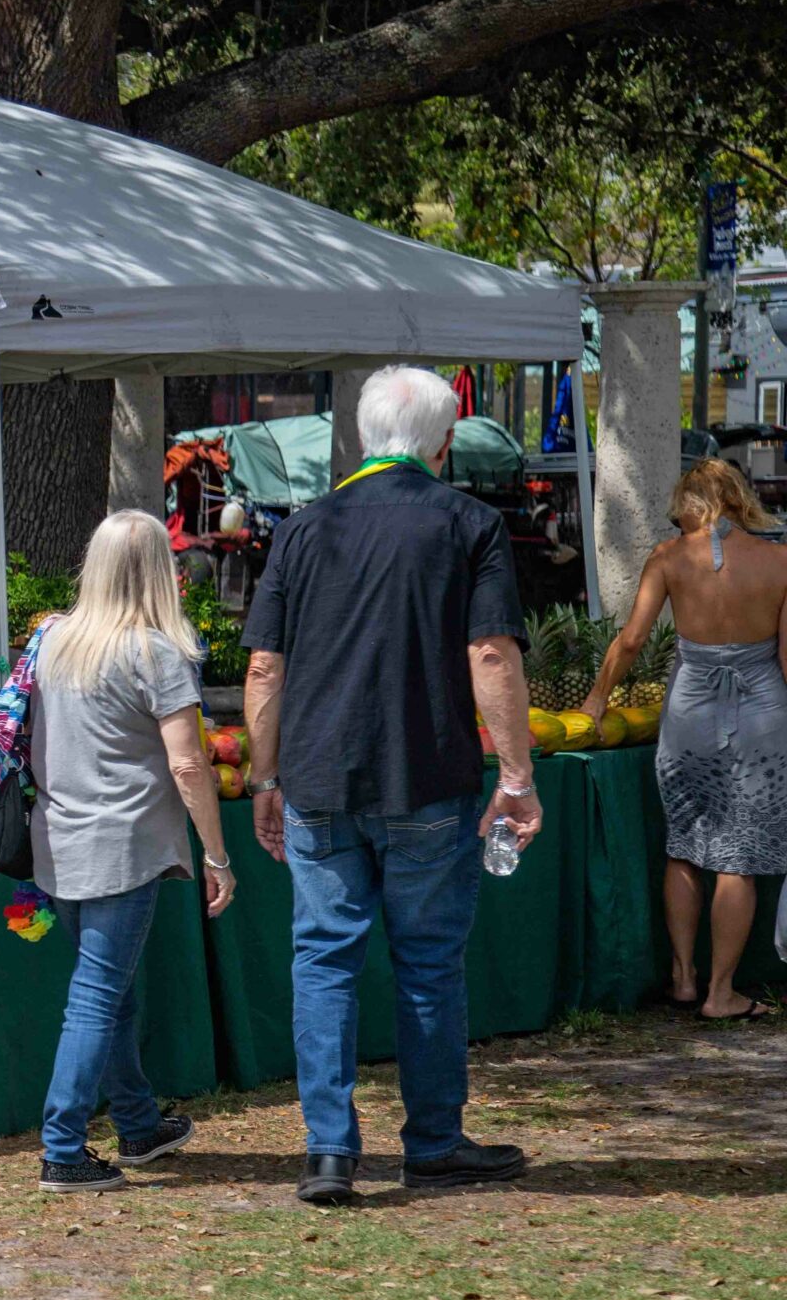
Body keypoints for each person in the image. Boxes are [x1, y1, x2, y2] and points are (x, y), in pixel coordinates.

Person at [243, 365, 541, 1207]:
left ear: (363, 439)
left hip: (318, 774)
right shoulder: (468, 522)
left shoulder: (302, 528)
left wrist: (263, 775)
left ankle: (329, 1150)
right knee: (428, 963)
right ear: (443, 443)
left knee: (324, 960)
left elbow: (265, 666)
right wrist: (516, 775)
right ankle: (434, 1141)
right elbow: (492, 653)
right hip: (429, 777)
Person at [29, 510, 235, 1193]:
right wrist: (217, 853)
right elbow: (188, 765)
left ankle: (139, 1124)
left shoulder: (53, 641)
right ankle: (62, 1147)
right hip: (122, 844)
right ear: (159, 573)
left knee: (110, 995)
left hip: (61, 841)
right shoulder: (155, 650)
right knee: (97, 997)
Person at [581, 460, 787, 1020]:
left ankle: (684, 978)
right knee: (737, 857)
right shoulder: (780, 561)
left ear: (690, 503)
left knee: (685, 845)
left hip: (689, 712)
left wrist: (597, 699)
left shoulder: (668, 559)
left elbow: (630, 640)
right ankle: (723, 992)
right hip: (762, 716)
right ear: (739, 498)